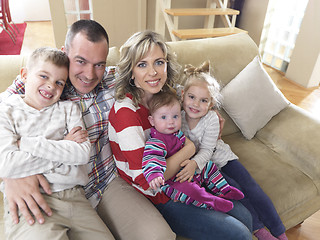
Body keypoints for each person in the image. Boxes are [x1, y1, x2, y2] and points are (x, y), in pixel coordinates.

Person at [0, 20, 175, 240]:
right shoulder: (46, 83)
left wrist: (200, 110)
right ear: (65, 53)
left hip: (107, 184)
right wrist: (8, 177)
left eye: (99, 64)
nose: (90, 74)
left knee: (159, 236)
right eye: (80, 61)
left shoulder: (115, 80)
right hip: (55, 186)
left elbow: (157, 80)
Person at [108, 29, 253, 240]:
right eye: (142, 64)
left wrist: (210, 115)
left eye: (159, 62)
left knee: (245, 216)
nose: (153, 72)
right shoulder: (126, 112)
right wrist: (190, 149)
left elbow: (199, 103)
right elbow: (147, 180)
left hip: (187, 178)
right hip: (160, 195)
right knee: (239, 234)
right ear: (131, 72)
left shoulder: (169, 94)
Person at [0, 47, 113, 239]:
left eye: (59, 82)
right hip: (34, 199)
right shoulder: (6, 111)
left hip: (76, 199)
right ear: (25, 75)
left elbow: (81, 155)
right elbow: (7, 164)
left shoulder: (69, 109)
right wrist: (63, 146)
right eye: (43, 76)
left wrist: (29, 144)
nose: (51, 86)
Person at [180, 61, 288, 240]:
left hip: (220, 158)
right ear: (182, 95)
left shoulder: (211, 118)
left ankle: (278, 230)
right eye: (191, 97)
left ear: (211, 103)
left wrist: (193, 163)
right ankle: (259, 230)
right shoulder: (179, 116)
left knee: (252, 187)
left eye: (203, 100)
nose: (195, 104)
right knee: (235, 192)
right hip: (207, 170)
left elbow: (207, 150)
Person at [142, 90, 244, 213]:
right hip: (174, 182)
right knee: (190, 191)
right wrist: (154, 175)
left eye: (175, 116)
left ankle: (224, 189)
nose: (171, 122)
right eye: (163, 117)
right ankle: (211, 202)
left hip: (189, 171)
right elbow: (151, 159)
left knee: (209, 165)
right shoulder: (156, 142)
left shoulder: (177, 134)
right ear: (152, 121)